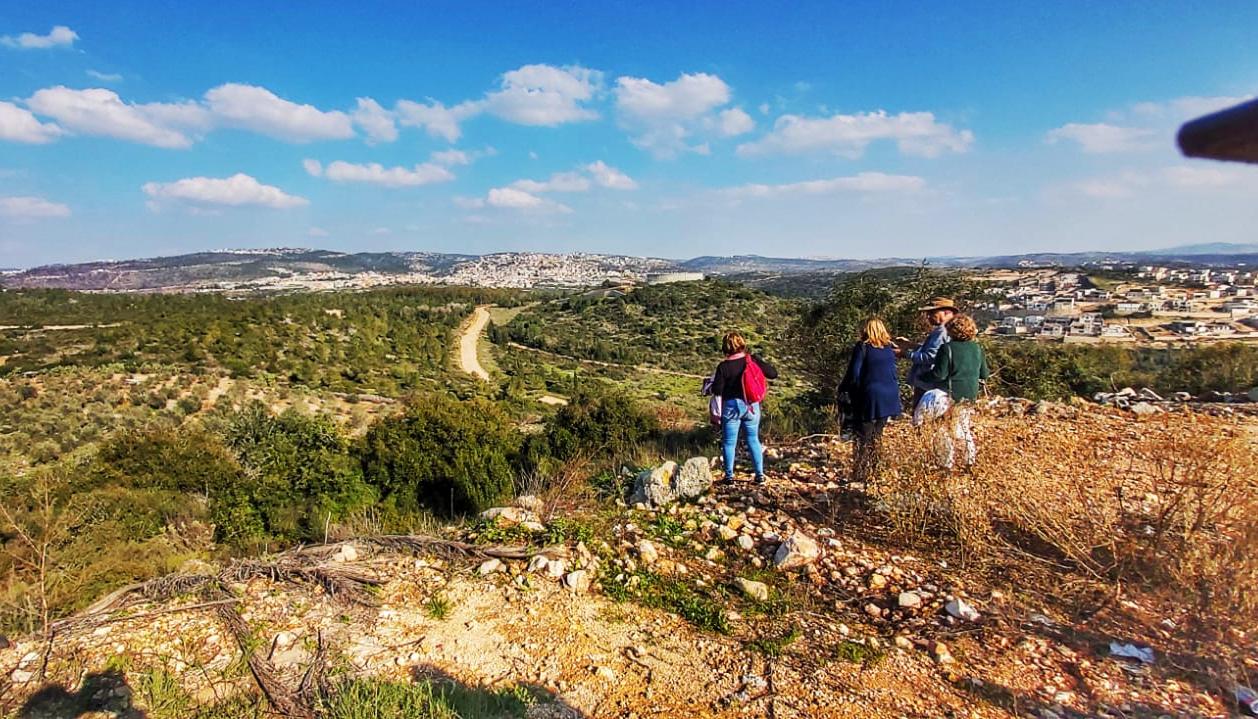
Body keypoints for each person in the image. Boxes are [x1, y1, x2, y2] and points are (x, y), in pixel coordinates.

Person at [920, 313, 989, 469]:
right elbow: (984, 374)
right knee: (963, 428)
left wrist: (923, 377)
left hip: (949, 395)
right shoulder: (977, 348)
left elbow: (939, 374)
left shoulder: (947, 348)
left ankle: (945, 464)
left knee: (943, 430)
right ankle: (969, 461)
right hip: (969, 395)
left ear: (952, 330)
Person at [838, 318, 903, 483]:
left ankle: (860, 472)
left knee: (862, 434)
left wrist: (844, 389)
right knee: (877, 434)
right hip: (889, 395)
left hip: (870, 395)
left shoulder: (863, 347)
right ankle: (876, 469)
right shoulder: (889, 348)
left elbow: (854, 373)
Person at [710, 331, 778, 484]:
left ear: (725, 347)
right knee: (753, 439)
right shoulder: (751, 360)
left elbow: (717, 390)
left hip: (731, 407)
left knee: (729, 443)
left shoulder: (723, 367)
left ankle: (729, 477)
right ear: (742, 343)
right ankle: (759, 475)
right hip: (751, 406)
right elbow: (773, 373)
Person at [898, 297, 957, 411]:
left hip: (928, 383)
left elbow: (930, 357)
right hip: (935, 383)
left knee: (921, 416)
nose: (928, 317)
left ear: (946, 312)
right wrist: (911, 345)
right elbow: (936, 351)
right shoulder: (947, 330)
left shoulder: (942, 332)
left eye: (932, 313)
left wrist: (904, 353)